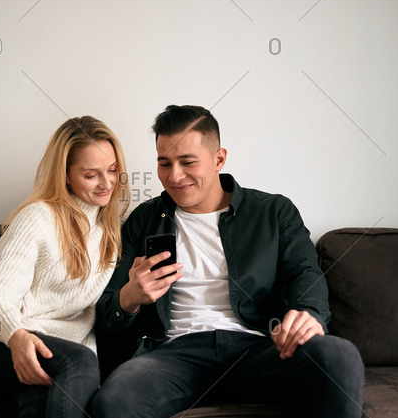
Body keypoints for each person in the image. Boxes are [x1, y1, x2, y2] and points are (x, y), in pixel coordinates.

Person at [92, 105, 365, 418]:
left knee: (338, 355)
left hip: (261, 348)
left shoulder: (273, 211)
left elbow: (304, 272)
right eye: (164, 163)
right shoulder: (145, 219)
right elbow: (106, 311)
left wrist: (310, 314)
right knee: (115, 400)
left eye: (187, 162)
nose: (174, 176)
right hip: (173, 356)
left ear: (219, 159)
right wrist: (129, 297)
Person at [0, 116, 129, 417]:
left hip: (50, 354)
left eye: (112, 170)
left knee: (42, 400)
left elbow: (84, 320)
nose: (107, 183)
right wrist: (16, 336)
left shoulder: (111, 231)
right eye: (91, 175)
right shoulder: (38, 218)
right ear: (66, 175)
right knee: (78, 362)